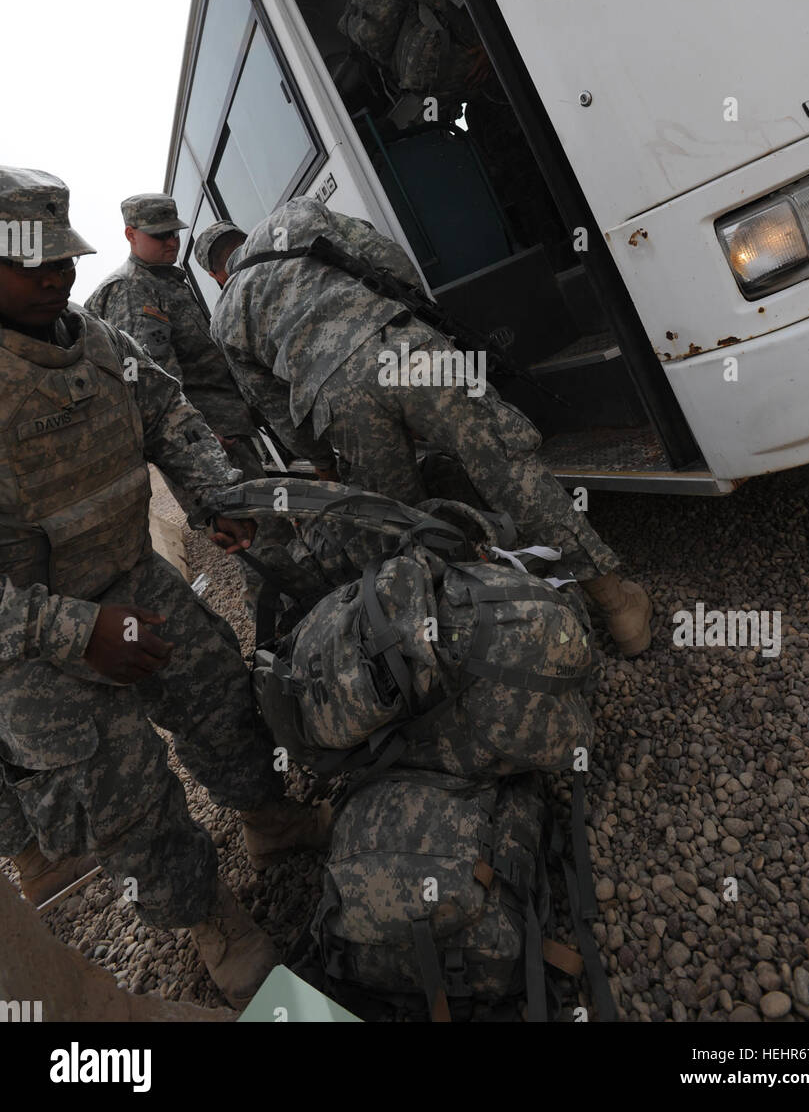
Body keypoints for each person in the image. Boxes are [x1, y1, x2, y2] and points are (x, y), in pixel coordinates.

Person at [0, 169, 330, 1009]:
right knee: (121, 797)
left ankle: (268, 819)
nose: (54, 277)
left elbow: (172, 420)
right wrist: (82, 633)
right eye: (29, 262)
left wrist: (216, 496)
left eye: (61, 260)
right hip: (31, 641)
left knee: (219, 687)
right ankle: (209, 923)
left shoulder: (98, 341)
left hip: (130, 574)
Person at [208, 196, 653, 655]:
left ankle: (470, 638)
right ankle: (617, 606)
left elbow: (276, 408)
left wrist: (322, 463)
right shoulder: (295, 215)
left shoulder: (224, 317)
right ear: (243, 237)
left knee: (400, 523)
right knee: (508, 469)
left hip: (337, 401)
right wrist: (422, 333)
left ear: (216, 275)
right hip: (406, 350)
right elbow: (387, 259)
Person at [84, 194, 268, 482]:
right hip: (208, 437)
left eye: (174, 233)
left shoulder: (162, 279)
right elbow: (154, 378)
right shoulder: (131, 289)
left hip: (225, 423)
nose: (172, 241)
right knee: (258, 522)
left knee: (264, 515)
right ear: (131, 235)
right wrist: (196, 435)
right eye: (160, 235)